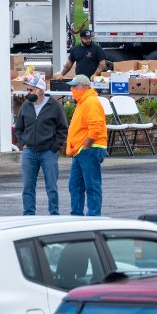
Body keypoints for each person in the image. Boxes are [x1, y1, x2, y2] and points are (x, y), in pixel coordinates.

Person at [14, 76, 67, 215]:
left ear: (40, 91)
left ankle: (54, 215)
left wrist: (55, 146)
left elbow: (63, 129)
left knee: (51, 186)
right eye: (27, 89)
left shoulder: (54, 106)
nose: (28, 92)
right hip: (29, 152)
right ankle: (28, 215)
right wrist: (22, 143)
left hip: (48, 151)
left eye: (31, 89)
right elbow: (18, 128)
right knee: (28, 186)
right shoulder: (26, 106)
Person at [65, 74, 108, 216]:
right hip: (81, 150)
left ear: (84, 87)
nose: (72, 89)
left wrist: (86, 145)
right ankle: (77, 216)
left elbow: (95, 127)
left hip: (90, 149)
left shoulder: (90, 102)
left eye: (74, 86)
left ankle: (94, 217)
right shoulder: (83, 101)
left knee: (92, 185)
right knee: (75, 186)